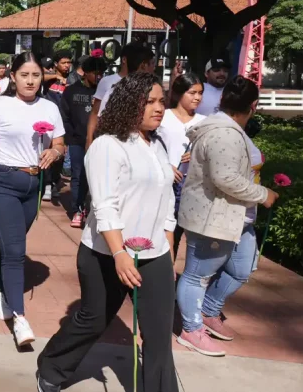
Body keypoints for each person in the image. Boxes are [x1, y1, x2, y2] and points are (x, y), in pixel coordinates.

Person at [36, 72, 179, 392]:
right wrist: (119, 254)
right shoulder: (107, 145)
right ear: (130, 104)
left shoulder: (157, 144)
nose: (159, 108)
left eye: (161, 101)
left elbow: (165, 200)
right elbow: (104, 206)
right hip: (105, 253)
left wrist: (167, 249)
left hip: (153, 255)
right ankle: (52, 366)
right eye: (151, 102)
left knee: (158, 336)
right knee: (93, 320)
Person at [0, 52, 66, 346]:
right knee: (17, 251)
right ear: (13, 77)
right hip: (0, 182)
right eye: (24, 75)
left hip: (33, 184)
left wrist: (55, 152)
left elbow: (60, 142)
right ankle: (19, 317)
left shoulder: (50, 107)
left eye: (35, 75)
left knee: (9, 242)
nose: (30, 81)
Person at [176, 76, 278, 357]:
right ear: (253, 105)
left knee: (242, 268)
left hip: (237, 217)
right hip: (213, 217)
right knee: (198, 275)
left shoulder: (233, 130)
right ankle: (191, 328)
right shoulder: (224, 132)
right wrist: (262, 194)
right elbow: (225, 178)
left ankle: (208, 311)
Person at [156, 73, 206, 253]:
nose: (197, 98)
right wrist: (167, 166)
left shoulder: (204, 122)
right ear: (179, 93)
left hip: (193, 186)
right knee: (168, 233)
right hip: (167, 183)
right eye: (192, 93)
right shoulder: (163, 117)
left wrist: (197, 154)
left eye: (200, 93)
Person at [58, 56, 107, 228]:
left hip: (100, 142)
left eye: (101, 73)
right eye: (95, 73)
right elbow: (64, 116)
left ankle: (93, 210)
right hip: (77, 141)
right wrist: (67, 139)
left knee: (98, 176)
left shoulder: (106, 91)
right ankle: (77, 209)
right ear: (85, 73)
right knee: (78, 175)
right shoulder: (71, 91)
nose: (98, 77)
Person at [84, 43, 145, 149]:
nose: (140, 64)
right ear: (124, 60)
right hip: (108, 141)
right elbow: (95, 113)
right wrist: (89, 140)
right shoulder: (106, 82)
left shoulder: (143, 84)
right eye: (136, 59)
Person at [41, 50, 73, 204]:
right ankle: (46, 185)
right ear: (56, 64)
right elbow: (39, 77)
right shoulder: (49, 79)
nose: (67, 66)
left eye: (69, 63)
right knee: (46, 152)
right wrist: (55, 76)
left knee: (60, 156)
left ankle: (54, 183)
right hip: (47, 123)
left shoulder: (72, 80)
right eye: (63, 63)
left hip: (65, 124)